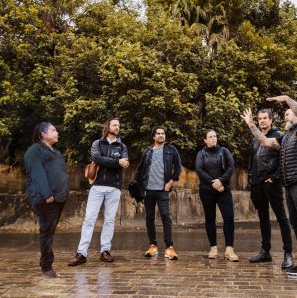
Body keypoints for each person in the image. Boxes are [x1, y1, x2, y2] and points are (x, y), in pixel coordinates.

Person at [242, 96, 297, 285]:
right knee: (296, 223)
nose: (285, 116)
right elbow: (264, 142)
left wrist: (287, 99)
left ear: (296, 115)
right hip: (290, 184)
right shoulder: (287, 136)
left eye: (288, 114)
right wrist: (251, 125)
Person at [68, 118, 129, 266]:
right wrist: (116, 162)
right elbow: (96, 158)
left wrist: (114, 161)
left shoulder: (122, 146)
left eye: (119, 126)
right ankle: (81, 253)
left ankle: (105, 251)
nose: (117, 127)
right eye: (114, 125)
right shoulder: (97, 143)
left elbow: (125, 163)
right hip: (97, 186)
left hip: (114, 187)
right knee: (89, 219)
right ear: (107, 127)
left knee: (109, 220)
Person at [244, 109, 293, 268]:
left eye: (265, 118)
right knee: (263, 218)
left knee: (281, 218)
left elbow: (284, 159)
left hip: (272, 182)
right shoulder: (255, 139)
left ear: (271, 120)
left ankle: (288, 253)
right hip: (257, 184)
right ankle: (265, 251)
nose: (263, 121)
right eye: (260, 119)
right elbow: (252, 162)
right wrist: (251, 181)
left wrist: (275, 177)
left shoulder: (278, 136)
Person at [24, 122, 69, 278]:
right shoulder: (34, 151)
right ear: (43, 134)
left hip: (59, 198)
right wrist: (47, 195)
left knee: (50, 231)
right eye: (53, 130)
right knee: (47, 232)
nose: (57, 132)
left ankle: (46, 262)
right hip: (46, 199)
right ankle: (46, 266)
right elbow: (37, 174)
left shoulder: (55, 152)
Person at [133, 126, 182, 260]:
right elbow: (140, 169)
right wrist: (135, 186)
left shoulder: (171, 150)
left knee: (166, 216)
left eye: (163, 133)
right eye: (158, 133)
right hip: (148, 190)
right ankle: (153, 245)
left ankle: (169, 247)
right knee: (149, 218)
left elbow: (178, 168)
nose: (161, 135)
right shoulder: (148, 151)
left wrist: (170, 183)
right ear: (154, 137)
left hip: (162, 190)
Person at [195, 129, 239, 261]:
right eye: (210, 136)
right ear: (205, 140)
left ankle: (229, 249)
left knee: (229, 217)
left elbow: (231, 167)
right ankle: (213, 247)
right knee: (210, 218)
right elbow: (199, 170)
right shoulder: (201, 154)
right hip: (207, 190)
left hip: (223, 189)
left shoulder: (224, 151)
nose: (213, 138)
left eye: (215, 136)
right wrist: (213, 183)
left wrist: (221, 181)